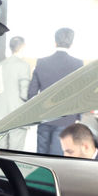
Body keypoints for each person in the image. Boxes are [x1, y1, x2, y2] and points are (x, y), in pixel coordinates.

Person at [27, 27, 83, 156]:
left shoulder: (42, 62)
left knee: (41, 154)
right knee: (57, 156)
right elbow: (80, 93)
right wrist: (77, 116)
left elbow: (31, 93)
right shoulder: (77, 64)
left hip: (44, 117)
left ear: (55, 42)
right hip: (66, 118)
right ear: (71, 44)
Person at [0, 36, 31, 149]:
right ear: (23, 46)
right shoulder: (24, 65)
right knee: (15, 152)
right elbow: (24, 94)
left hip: (0, 115)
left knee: (1, 152)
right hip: (17, 116)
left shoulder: (0, 64)